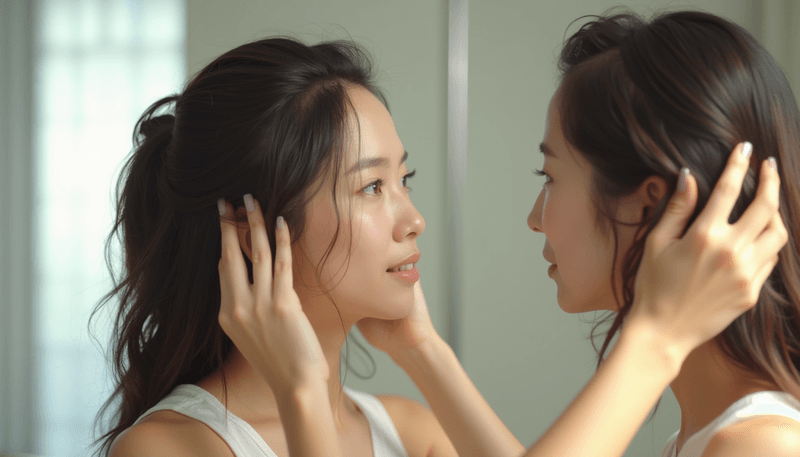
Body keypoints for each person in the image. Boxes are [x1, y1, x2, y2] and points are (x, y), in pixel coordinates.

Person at [99, 26, 785, 457]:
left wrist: (378, 368)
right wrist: (310, 388)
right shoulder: (169, 447)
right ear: (254, 234)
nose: (414, 218)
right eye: (372, 188)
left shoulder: (408, 429)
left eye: (407, 179)